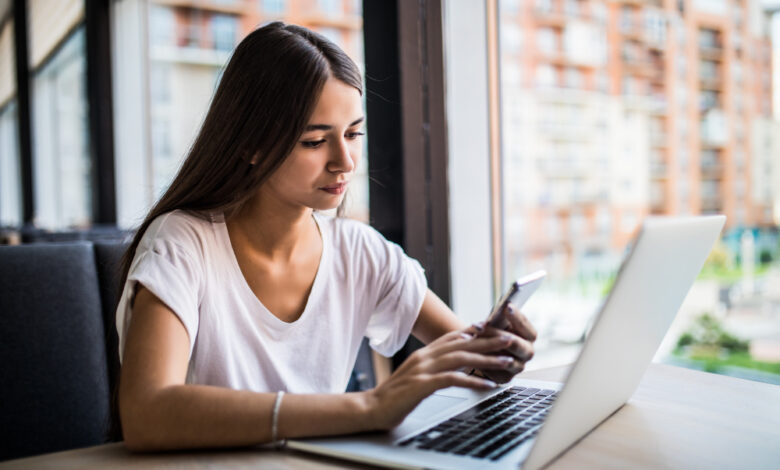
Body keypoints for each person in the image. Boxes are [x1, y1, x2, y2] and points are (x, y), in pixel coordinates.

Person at [116, 22, 537, 452]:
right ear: (252, 145)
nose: (345, 161)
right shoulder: (184, 243)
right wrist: (369, 408)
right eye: (315, 141)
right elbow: (147, 411)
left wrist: (499, 353)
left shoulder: (360, 252)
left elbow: (469, 360)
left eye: (353, 134)